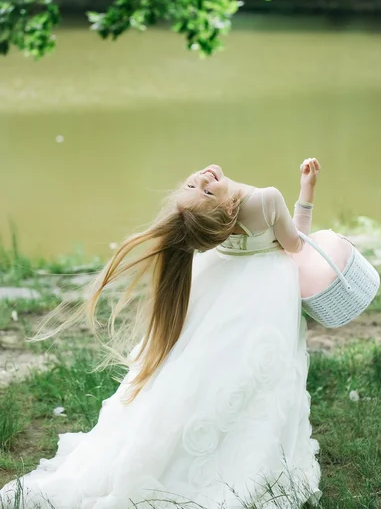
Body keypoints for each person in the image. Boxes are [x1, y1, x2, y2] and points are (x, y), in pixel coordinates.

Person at [0, 158, 322, 509]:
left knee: (211, 372)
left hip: (220, 291)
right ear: (226, 211)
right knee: (257, 378)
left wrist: (204, 197)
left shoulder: (210, 224)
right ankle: (243, 452)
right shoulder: (266, 200)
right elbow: (296, 246)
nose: (203, 180)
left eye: (194, 186)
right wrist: (307, 191)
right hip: (262, 297)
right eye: (205, 190)